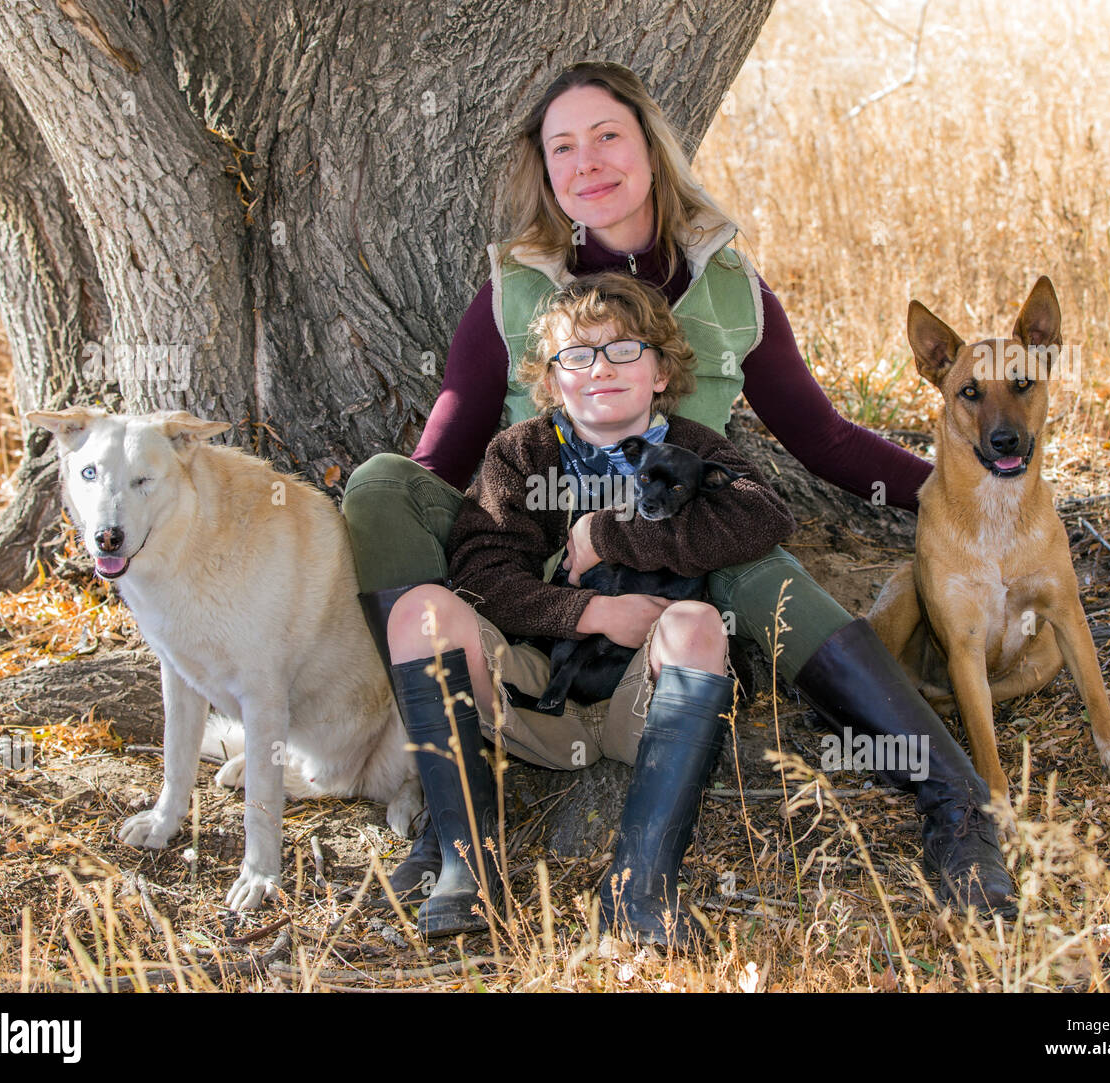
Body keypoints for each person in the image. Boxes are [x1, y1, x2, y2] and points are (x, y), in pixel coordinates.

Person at [346, 61, 1014, 915]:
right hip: (536, 560)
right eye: (563, 148)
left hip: (680, 554)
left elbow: (824, 438)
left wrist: (976, 500)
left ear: (652, 149)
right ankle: (451, 814)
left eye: (607, 136)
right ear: (545, 172)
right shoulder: (511, 292)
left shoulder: (731, 291)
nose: (586, 162)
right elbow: (438, 463)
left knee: (753, 555)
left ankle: (957, 808)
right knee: (378, 484)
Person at [386, 274, 795, 943]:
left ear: (661, 371)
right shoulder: (521, 454)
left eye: (623, 350)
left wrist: (608, 533)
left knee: (695, 624)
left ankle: (639, 887)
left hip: (648, 704)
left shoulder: (690, 446)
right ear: (551, 380)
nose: (600, 367)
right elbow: (484, 578)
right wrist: (588, 613)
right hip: (536, 698)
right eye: (577, 355)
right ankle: (465, 867)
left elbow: (761, 515)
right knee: (419, 612)